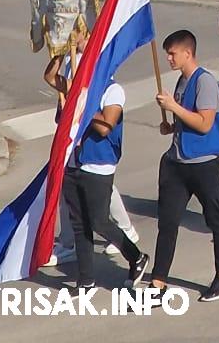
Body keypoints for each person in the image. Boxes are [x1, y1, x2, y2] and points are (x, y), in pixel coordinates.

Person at [45, 51, 148, 290]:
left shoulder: (113, 90)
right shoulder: (73, 88)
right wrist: (59, 48)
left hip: (98, 163)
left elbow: (105, 126)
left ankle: (136, 256)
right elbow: (50, 77)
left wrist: (82, 102)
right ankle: (86, 279)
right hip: (73, 161)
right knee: (79, 222)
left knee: (99, 220)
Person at [150, 28, 219, 302]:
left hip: (203, 165)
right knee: (168, 222)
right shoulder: (182, 82)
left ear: (188, 53)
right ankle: (158, 284)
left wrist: (174, 107)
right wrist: (171, 125)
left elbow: (205, 123)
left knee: (217, 220)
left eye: (173, 54)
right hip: (177, 163)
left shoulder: (204, 82)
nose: (169, 59)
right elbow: (187, 120)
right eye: (167, 54)